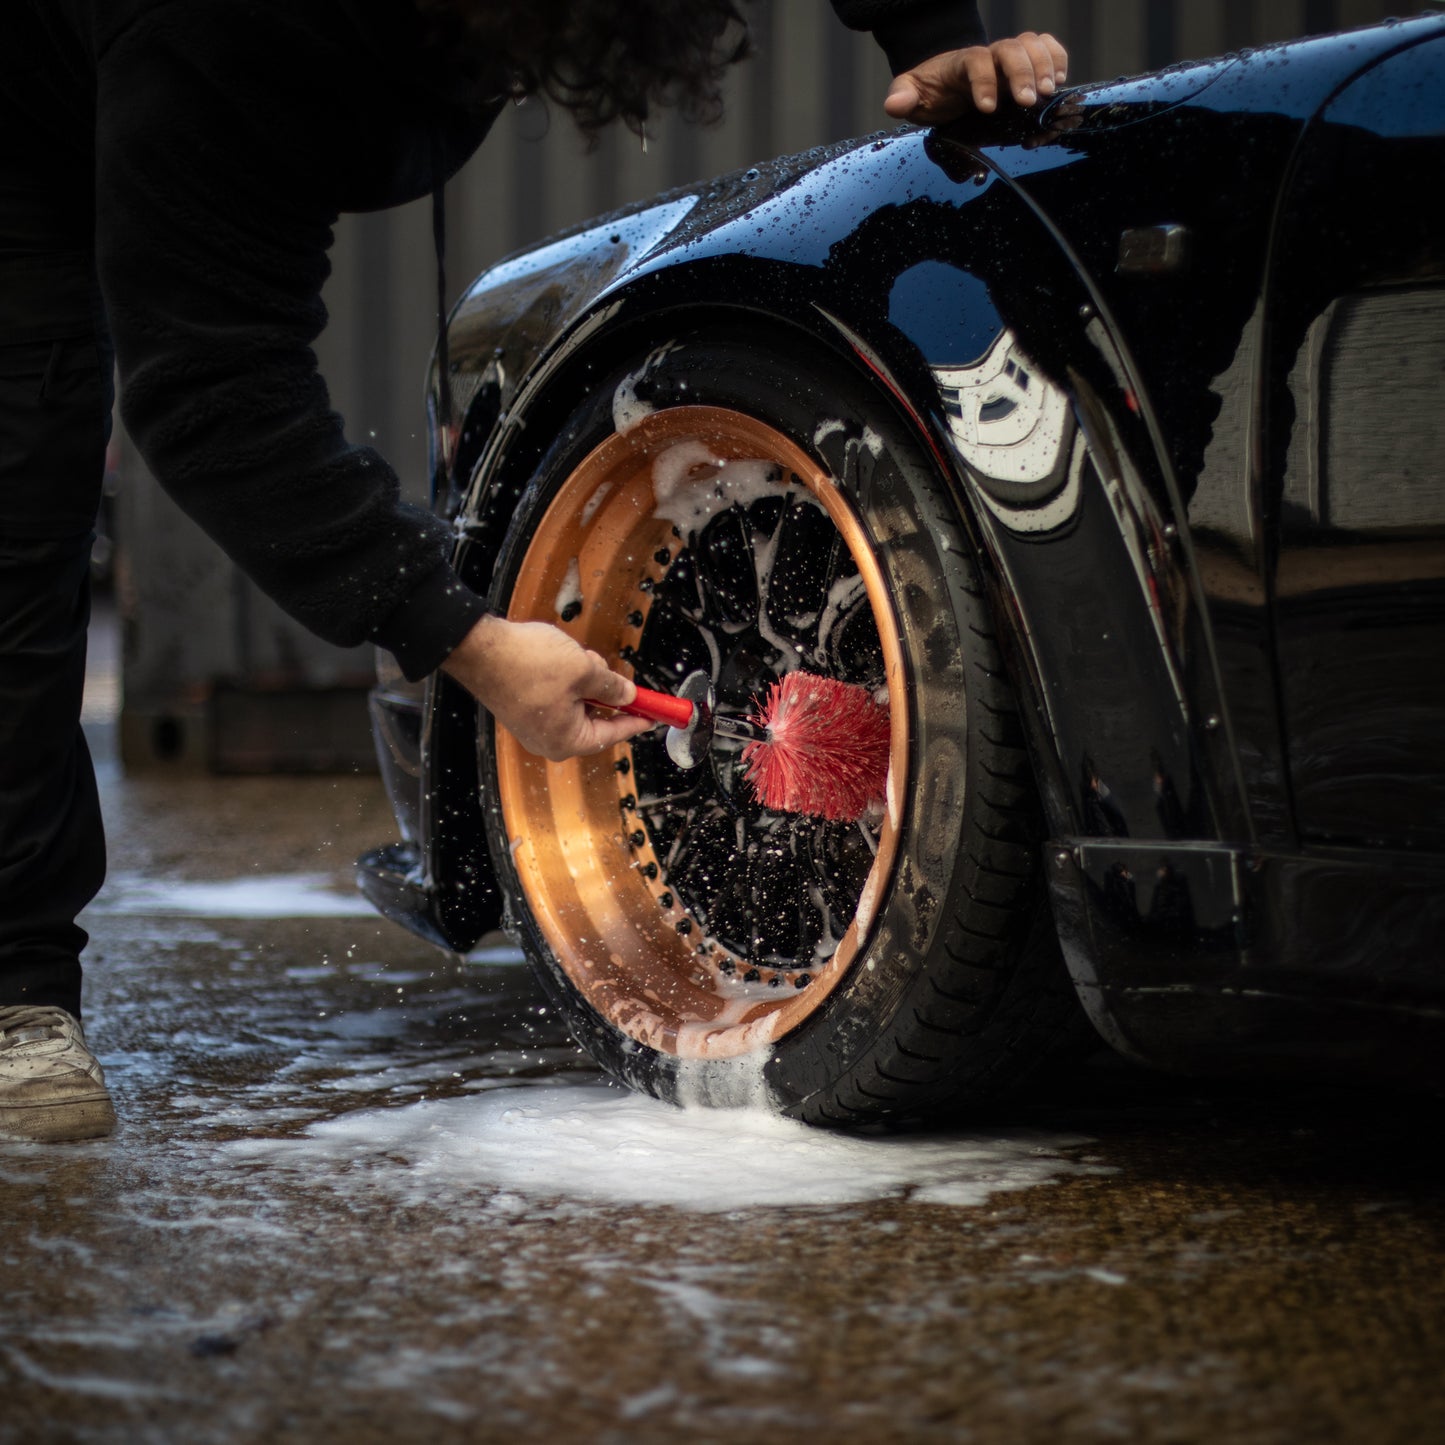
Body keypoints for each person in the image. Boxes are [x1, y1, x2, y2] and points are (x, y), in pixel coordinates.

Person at [0, 0, 1067, 1142]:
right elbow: (213, 396)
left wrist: (931, 28)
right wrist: (461, 637)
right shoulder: (220, 40)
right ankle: (14, 990)